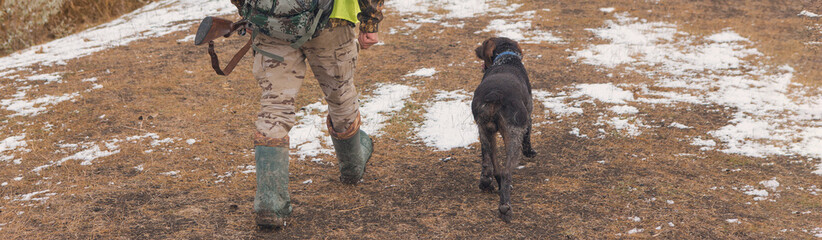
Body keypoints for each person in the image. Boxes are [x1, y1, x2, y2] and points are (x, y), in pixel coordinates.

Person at [229, 0, 384, 229]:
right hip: (333, 22)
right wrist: (370, 22)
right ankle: (352, 166)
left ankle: (270, 202)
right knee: (340, 95)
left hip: (273, 25)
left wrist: (250, 14)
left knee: (275, 108)